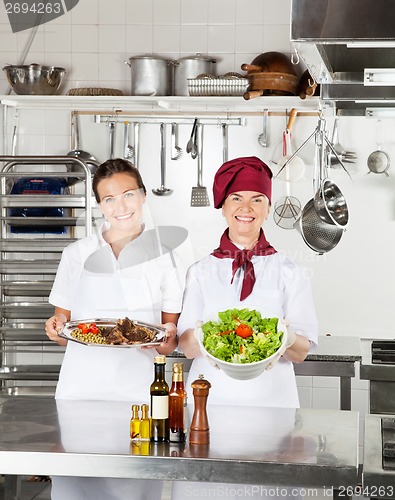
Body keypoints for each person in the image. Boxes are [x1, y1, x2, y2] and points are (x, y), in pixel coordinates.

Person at [171, 156, 318, 500]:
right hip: (210, 407)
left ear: (267, 208)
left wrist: (283, 338)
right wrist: (208, 336)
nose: (246, 208)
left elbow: (302, 351)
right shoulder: (200, 271)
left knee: (265, 488)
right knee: (206, 489)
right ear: (222, 207)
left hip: (273, 405)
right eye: (236, 198)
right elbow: (187, 346)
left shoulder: (291, 271)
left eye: (257, 199)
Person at [45, 158, 184, 500]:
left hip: (139, 395)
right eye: (108, 199)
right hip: (81, 393)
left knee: (134, 487)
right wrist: (54, 327)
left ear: (143, 196)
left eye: (127, 195)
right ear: (99, 205)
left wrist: (165, 338)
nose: (120, 206)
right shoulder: (76, 254)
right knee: (75, 486)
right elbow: (61, 329)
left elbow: (170, 339)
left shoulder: (166, 259)